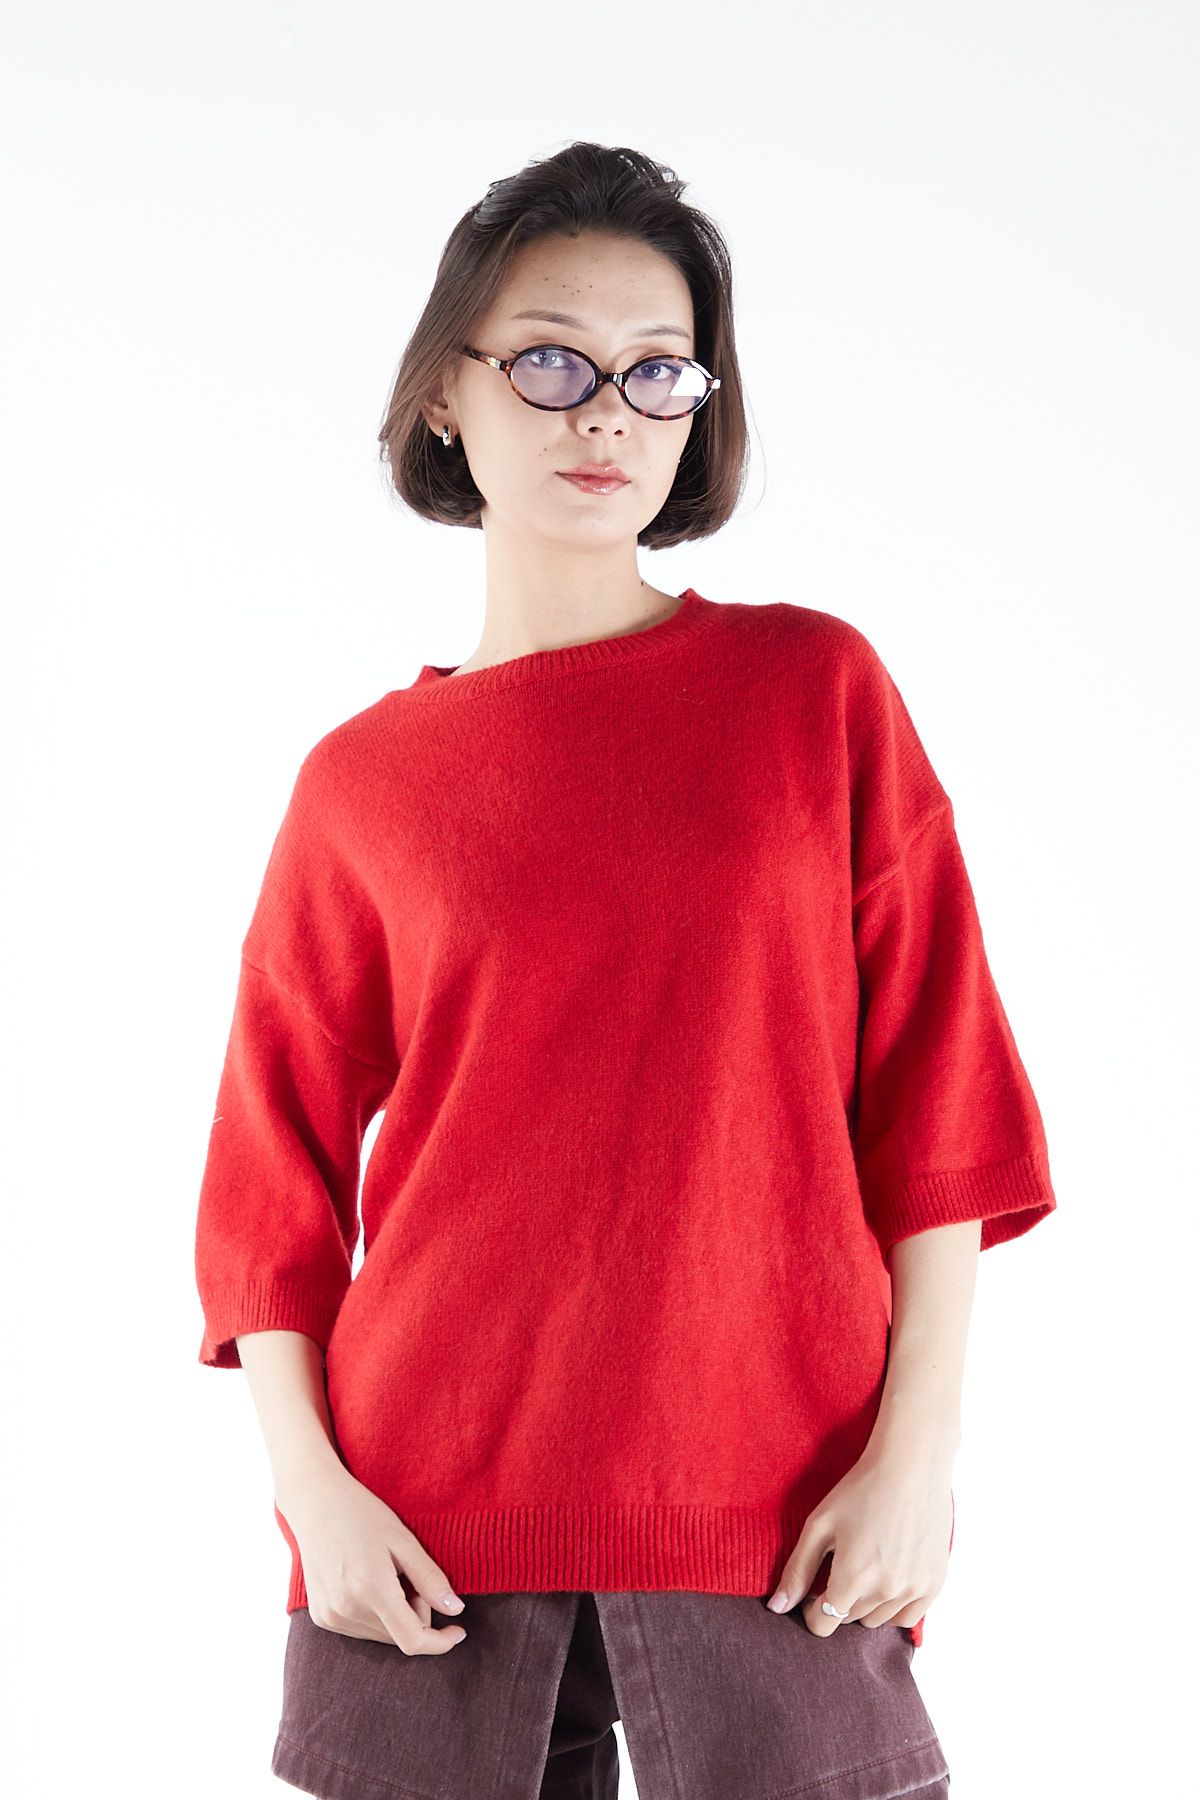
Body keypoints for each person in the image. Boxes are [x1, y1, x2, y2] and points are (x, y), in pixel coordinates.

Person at [193, 140, 1056, 1800]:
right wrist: (313, 1495)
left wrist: (919, 1453)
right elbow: (267, 1182)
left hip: (785, 1517)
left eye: (658, 370)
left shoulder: (814, 694)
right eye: (550, 361)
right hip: (422, 1543)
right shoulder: (362, 784)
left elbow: (938, 1100)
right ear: (446, 394)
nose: (607, 413)